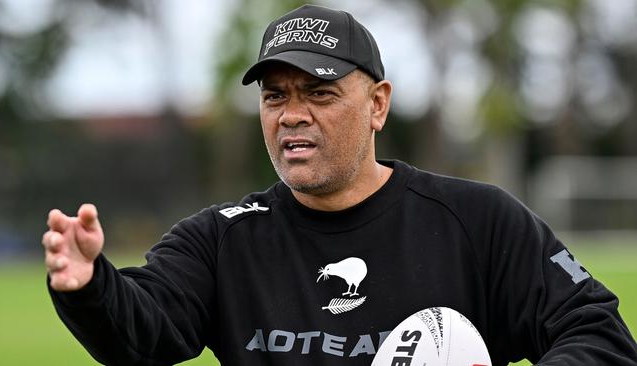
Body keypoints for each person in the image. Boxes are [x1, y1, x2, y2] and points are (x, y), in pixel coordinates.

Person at [43, 4, 637, 366]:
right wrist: (92, 285)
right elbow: (143, 333)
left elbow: (597, 333)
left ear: (378, 104)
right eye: (275, 96)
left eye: (319, 93)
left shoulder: (478, 221)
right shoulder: (221, 240)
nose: (292, 114)